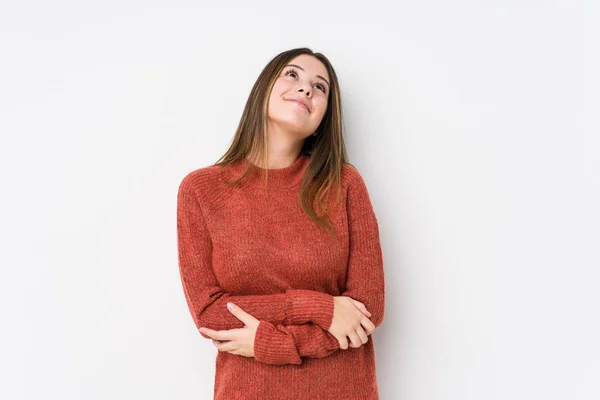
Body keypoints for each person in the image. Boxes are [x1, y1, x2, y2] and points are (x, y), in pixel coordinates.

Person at [176, 47, 386, 399]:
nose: (306, 89)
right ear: (263, 90)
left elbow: (366, 311)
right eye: (292, 75)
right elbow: (210, 313)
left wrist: (269, 342)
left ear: (324, 119)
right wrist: (322, 308)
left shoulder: (344, 184)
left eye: (320, 87)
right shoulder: (201, 190)